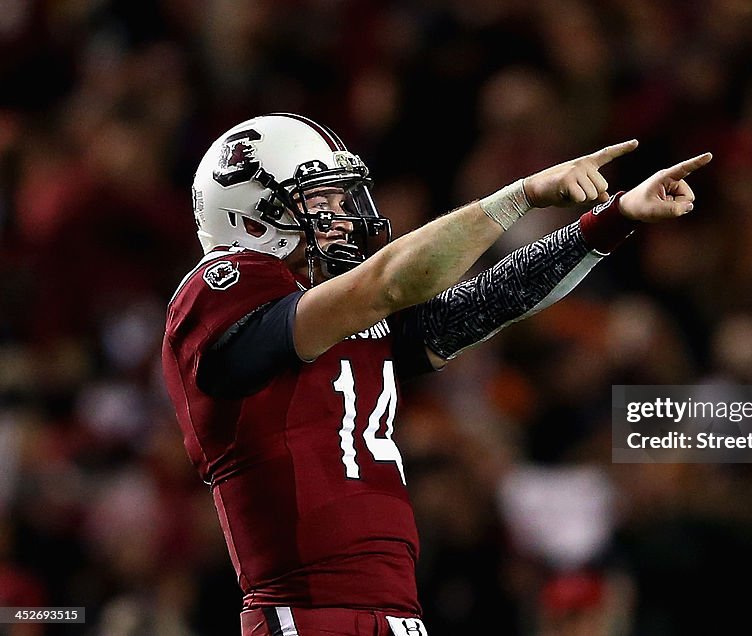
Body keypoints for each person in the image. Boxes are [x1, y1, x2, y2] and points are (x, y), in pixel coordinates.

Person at [161, 112, 711, 636]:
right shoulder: (218, 291)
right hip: (308, 614)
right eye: (319, 199)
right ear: (252, 214)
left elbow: (487, 303)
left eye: (339, 195)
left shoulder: (337, 315)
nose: (342, 214)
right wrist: (521, 196)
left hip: (396, 613)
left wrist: (611, 221)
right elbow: (393, 282)